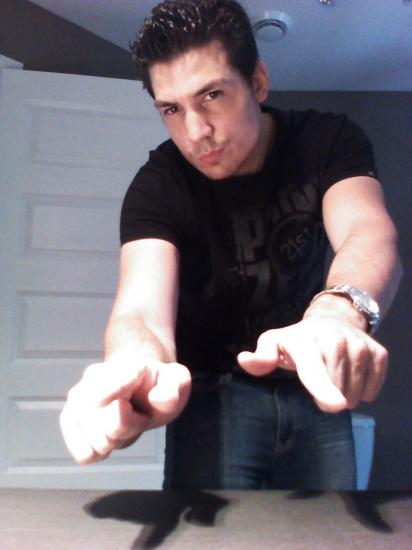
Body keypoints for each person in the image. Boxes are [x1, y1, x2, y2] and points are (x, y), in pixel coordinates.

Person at [60, 0, 402, 490]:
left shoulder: (327, 140)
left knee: (329, 530)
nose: (196, 132)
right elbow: (141, 312)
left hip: (312, 381)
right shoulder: (159, 186)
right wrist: (133, 366)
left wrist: (337, 315)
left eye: (212, 95)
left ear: (257, 82)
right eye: (172, 109)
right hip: (212, 398)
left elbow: (367, 232)